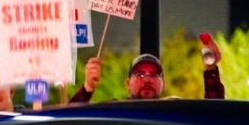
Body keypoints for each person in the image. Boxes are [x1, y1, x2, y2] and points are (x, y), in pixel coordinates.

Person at [69, 52, 225, 103]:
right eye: (140, 74)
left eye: (154, 75)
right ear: (127, 83)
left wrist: (211, 70)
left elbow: (214, 118)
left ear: (163, 84)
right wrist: (88, 88)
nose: (147, 80)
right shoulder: (113, 111)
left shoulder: (174, 110)